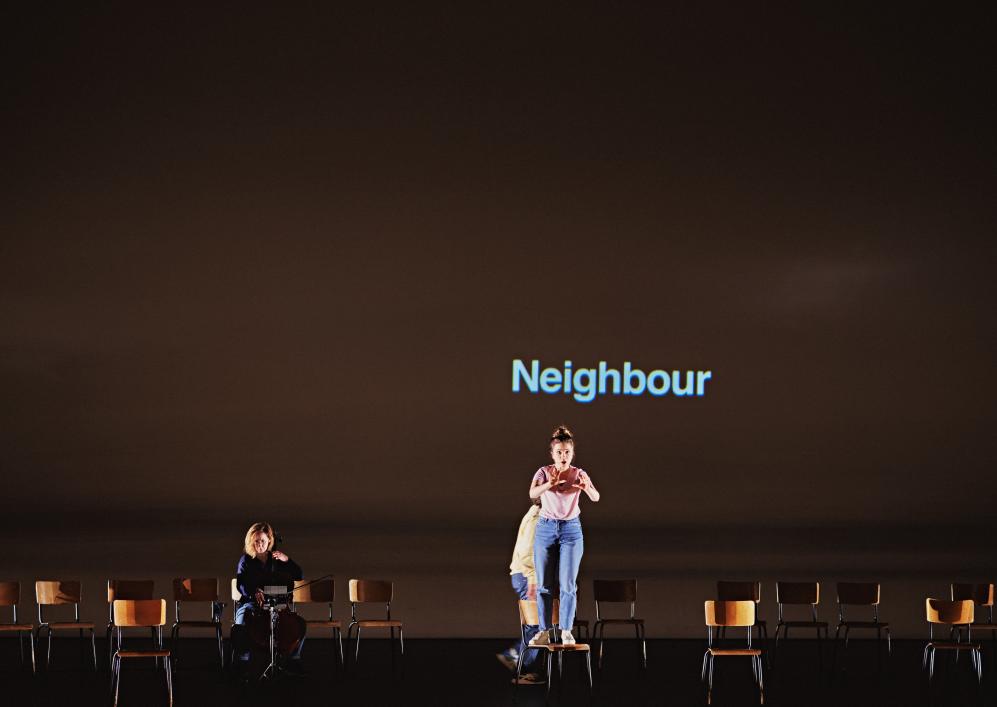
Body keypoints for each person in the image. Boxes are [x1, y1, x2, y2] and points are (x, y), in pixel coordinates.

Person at [529, 425, 600, 646]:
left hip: (571, 530)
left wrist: (586, 488)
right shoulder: (543, 472)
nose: (563, 456)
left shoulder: (579, 473)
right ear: (552, 454)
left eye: (567, 452)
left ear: (572, 453)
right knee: (544, 584)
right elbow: (532, 493)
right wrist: (549, 484)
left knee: (568, 584)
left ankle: (566, 630)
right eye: (559, 452)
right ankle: (544, 630)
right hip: (546, 528)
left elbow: (596, 497)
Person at [234, 522, 305, 667]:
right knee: (240, 624)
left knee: (300, 624)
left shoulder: (277, 559)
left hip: (277, 603)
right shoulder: (245, 560)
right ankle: (242, 662)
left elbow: (299, 575)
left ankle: (294, 660)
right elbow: (240, 584)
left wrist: (287, 560)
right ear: (251, 542)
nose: (260, 544)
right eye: (256, 541)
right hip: (251, 603)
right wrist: (254, 592)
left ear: (269, 541)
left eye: (263, 541)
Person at [497, 499, 546, 684]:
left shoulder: (534, 514)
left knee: (536, 625)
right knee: (536, 625)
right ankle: (520, 664)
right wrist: (533, 580)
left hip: (525, 576)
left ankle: (523, 666)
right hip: (527, 576)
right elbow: (527, 552)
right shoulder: (537, 518)